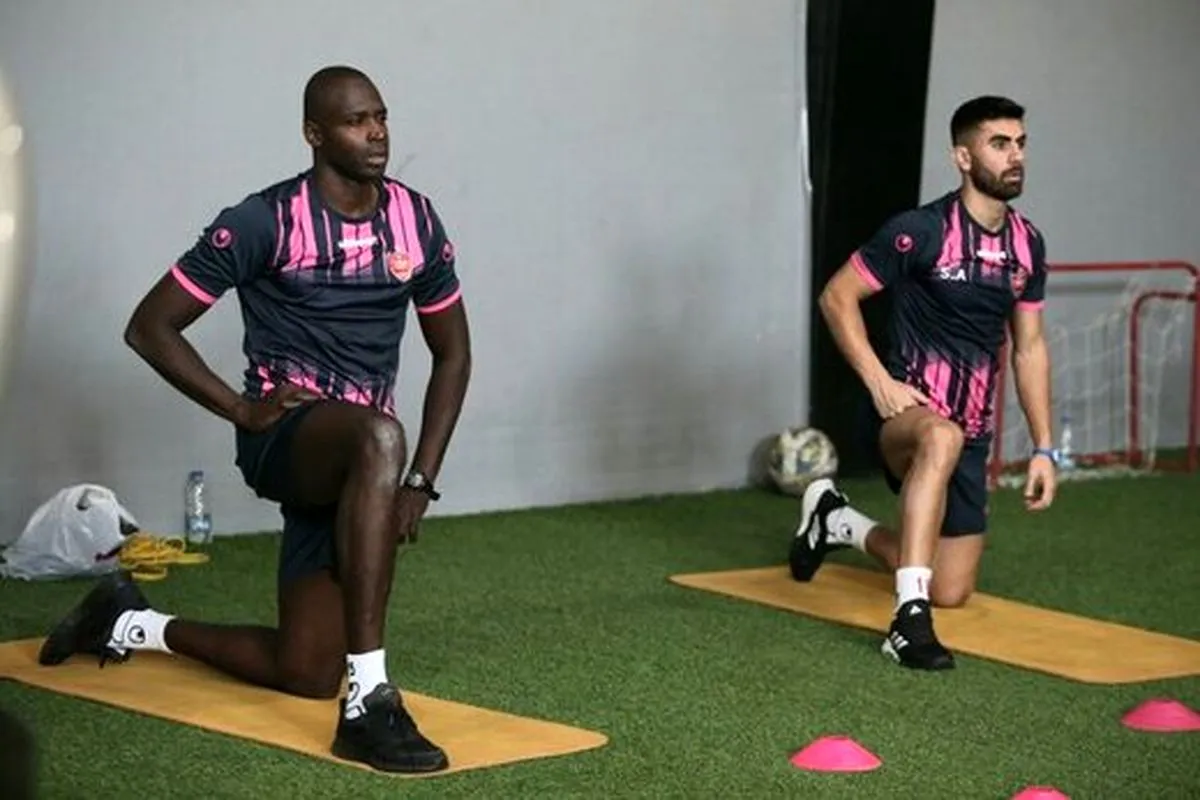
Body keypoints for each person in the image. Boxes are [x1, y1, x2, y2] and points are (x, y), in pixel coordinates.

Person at [36, 65, 472, 773]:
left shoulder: (414, 220)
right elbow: (150, 327)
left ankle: (127, 620)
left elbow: (453, 355)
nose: (376, 133)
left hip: (366, 465)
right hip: (286, 444)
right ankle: (369, 700)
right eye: (356, 121)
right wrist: (241, 409)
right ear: (313, 134)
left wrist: (419, 482)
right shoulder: (263, 220)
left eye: (381, 117)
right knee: (377, 434)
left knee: (305, 670)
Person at [791, 95, 1057, 671]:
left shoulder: (1027, 244)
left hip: (972, 431)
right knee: (940, 435)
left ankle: (836, 521)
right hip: (903, 417)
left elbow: (1030, 348)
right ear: (963, 157)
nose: (1015, 155)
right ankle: (907, 624)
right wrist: (878, 381)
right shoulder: (921, 231)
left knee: (951, 588)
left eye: (1020, 143)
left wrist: (1044, 447)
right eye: (999, 144)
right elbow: (837, 297)